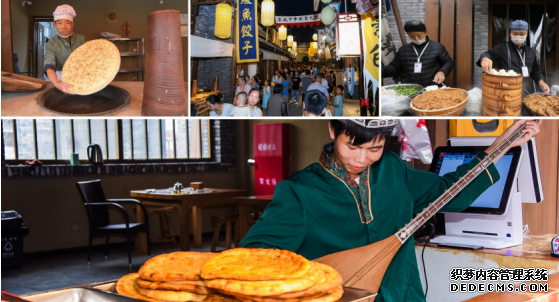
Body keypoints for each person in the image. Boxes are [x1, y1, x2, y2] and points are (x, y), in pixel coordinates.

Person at [240, 119, 541, 302]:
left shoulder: (393, 170)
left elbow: (451, 192)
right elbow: (255, 258)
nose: (361, 158)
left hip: (405, 296)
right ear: (333, 129)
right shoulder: (299, 192)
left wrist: (503, 143)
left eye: (374, 148)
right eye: (352, 146)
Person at [478, 20, 550, 94]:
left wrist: (541, 81)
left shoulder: (531, 51)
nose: (518, 36)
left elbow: (535, 70)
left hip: (526, 91)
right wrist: (485, 58)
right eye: (515, 33)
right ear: (510, 33)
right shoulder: (502, 48)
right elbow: (490, 53)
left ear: (527, 33)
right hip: (506, 91)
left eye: (522, 34)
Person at [382, 20, 454, 87]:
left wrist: (442, 72)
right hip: (412, 89)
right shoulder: (403, 50)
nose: (416, 39)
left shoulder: (437, 47)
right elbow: (395, 68)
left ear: (425, 32)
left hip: (433, 86)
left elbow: (448, 62)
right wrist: (380, 71)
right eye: (412, 36)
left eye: (419, 35)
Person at [44, 4, 85, 95]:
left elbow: (86, 60)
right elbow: (49, 65)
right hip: (58, 76)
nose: (63, 26)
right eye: (59, 23)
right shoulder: (51, 43)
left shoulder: (81, 39)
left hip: (78, 75)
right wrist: (58, 84)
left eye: (67, 23)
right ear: (54, 25)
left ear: (72, 24)